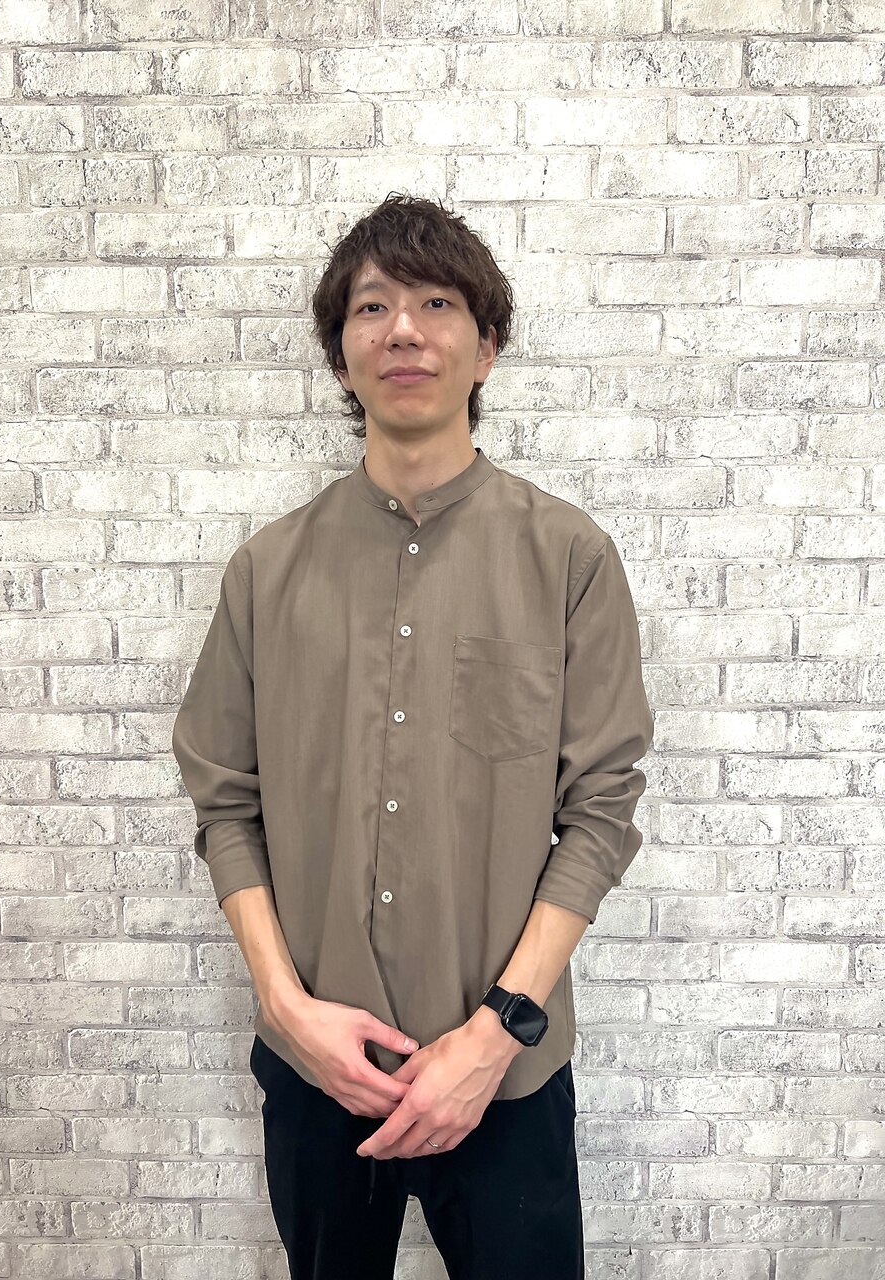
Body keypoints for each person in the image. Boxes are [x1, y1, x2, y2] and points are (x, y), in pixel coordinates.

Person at [171, 193, 654, 1279]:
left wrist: (495, 1033)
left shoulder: (569, 559)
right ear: (340, 356)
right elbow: (225, 802)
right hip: (318, 1071)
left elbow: (599, 812)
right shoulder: (265, 572)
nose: (403, 329)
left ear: (487, 347)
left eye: (438, 304)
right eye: (372, 306)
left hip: (503, 1073)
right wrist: (288, 1011)